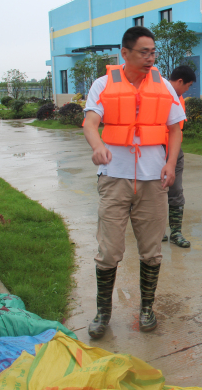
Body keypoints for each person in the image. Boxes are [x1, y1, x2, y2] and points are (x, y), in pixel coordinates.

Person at [82, 26, 185, 339]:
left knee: (151, 250)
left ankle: (147, 307)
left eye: (153, 52)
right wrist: (97, 145)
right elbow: (90, 122)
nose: (150, 58)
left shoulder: (163, 85)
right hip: (114, 178)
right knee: (109, 249)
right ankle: (103, 313)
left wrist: (169, 164)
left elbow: (175, 129)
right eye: (144, 52)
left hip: (154, 179)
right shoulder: (103, 84)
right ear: (124, 53)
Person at [161, 65, 196, 248]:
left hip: (174, 152)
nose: (187, 90)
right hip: (155, 151)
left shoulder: (178, 98)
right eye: (188, 86)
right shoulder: (158, 92)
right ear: (180, 81)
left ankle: (176, 232)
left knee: (176, 191)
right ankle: (157, 231)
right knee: (154, 194)